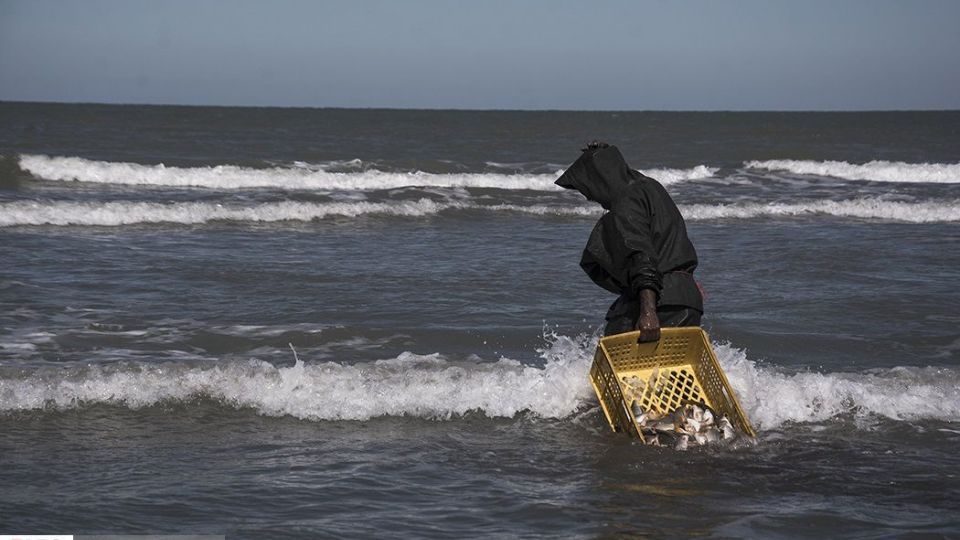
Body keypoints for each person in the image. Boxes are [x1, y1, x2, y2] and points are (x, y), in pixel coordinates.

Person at [555, 142, 703, 342]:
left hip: (661, 305)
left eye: (587, 188)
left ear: (601, 180)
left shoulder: (626, 199)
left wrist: (648, 312)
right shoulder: (651, 187)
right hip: (686, 300)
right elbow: (669, 246)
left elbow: (641, 256)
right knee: (670, 371)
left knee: (621, 364)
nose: (589, 196)